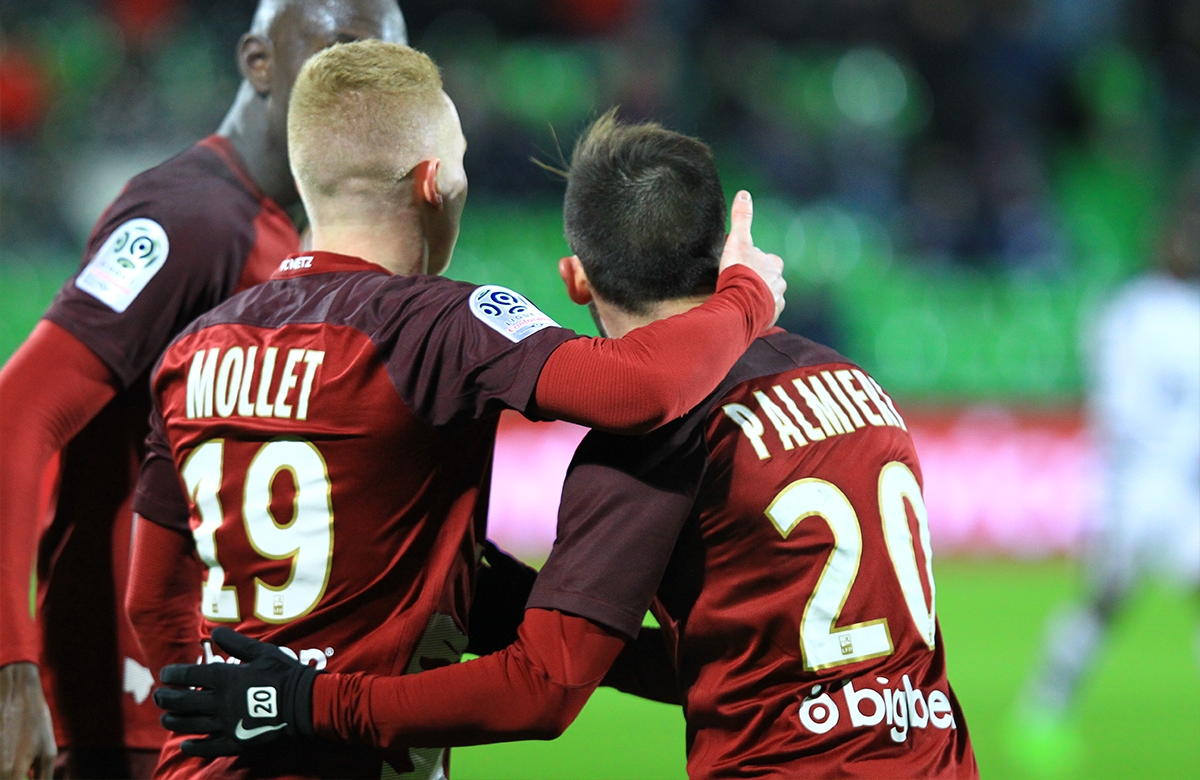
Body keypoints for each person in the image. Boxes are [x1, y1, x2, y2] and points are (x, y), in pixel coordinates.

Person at [154, 113, 978, 778]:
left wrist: (310, 702)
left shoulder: (649, 434)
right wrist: (511, 604)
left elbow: (540, 690)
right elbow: (752, 663)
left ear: (575, 278)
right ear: (720, 248)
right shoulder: (854, 387)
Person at [123, 43, 784, 780]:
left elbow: (151, 601)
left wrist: (230, 712)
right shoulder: (438, 325)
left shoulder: (192, 349)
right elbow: (639, 389)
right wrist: (748, 293)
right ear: (434, 183)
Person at [0, 0, 407, 778]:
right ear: (258, 61)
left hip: (208, 712)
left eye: (386, 68)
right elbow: (17, 413)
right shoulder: (193, 219)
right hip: (123, 721)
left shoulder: (287, 237)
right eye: (339, 57)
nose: (364, 91)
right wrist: (11, 667)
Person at [1008, 177, 1200, 778]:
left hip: (1181, 486)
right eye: (1180, 238)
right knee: (1107, 599)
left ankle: (1043, 709)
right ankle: (1042, 709)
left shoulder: (1160, 310)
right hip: (1138, 482)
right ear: (1160, 243)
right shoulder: (1133, 310)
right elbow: (1119, 401)